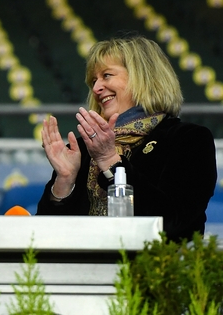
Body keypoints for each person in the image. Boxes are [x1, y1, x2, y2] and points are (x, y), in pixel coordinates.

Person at [36, 34, 218, 243]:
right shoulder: (82, 150)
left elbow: (171, 221)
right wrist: (65, 181)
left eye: (106, 75)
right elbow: (45, 240)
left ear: (143, 77)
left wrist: (110, 163)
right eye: (93, 81)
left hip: (156, 272)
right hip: (84, 273)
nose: (96, 88)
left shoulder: (188, 139)